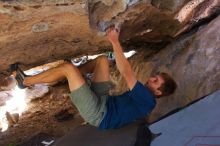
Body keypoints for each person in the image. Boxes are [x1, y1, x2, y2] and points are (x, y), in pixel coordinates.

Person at [13, 27, 177, 129]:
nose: (151, 79)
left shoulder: (147, 99)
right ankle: (72, 76)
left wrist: (114, 41)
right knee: (102, 60)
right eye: (155, 77)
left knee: (68, 68)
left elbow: (126, 72)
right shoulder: (145, 97)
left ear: (158, 92)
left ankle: (25, 82)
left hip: (99, 114)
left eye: (156, 82)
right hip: (105, 101)